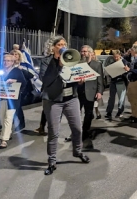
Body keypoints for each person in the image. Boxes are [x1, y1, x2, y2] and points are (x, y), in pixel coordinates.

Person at [40, 36, 90, 175]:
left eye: (64, 44)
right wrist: (59, 65)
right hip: (53, 100)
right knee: (53, 132)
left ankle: (78, 151)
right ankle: (52, 161)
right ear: (54, 47)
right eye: (59, 44)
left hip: (71, 98)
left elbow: (74, 76)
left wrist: (80, 81)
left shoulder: (72, 60)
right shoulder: (46, 61)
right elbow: (45, 79)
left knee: (77, 128)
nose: (62, 46)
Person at [66, 45, 104, 147]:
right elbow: (72, 78)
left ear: (91, 53)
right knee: (75, 114)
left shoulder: (97, 65)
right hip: (78, 93)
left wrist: (99, 92)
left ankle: (86, 132)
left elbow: (100, 80)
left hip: (90, 93)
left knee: (88, 114)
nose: (83, 53)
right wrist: (77, 82)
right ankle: (74, 133)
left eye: (85, 51)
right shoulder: (78, 64)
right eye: (82, 51)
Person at [0, 53, 26, 149]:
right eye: (4, 60)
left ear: (12, 62)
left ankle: (4, 140)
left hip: (12, 99)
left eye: (8, 61)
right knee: (2, 118)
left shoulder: (17, 71)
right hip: (1, 98)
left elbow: (24, 83)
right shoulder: (0, 71)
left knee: (8, 118)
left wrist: (15, 81)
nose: (5, 62)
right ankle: (8, 132)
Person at [105, 50, 128, 120]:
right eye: (114, 57)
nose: (116, 58)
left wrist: (125, 70)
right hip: (113, 81)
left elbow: (128, 71)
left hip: (121, 81)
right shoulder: (112, 63)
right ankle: (109, 112)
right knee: (111, 98)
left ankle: (120, 111)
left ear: (120, 56)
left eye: (117, 57)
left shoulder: (124, 62)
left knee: (121, 98)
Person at [125, 44, 137, 123]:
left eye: (131, 50)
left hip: (136, 81)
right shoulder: (135, 59)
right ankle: (134, 114)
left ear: (135, 51)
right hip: (132, 81)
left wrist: (130, 70)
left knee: (136, 99)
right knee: (131, 98)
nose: (130, 51)